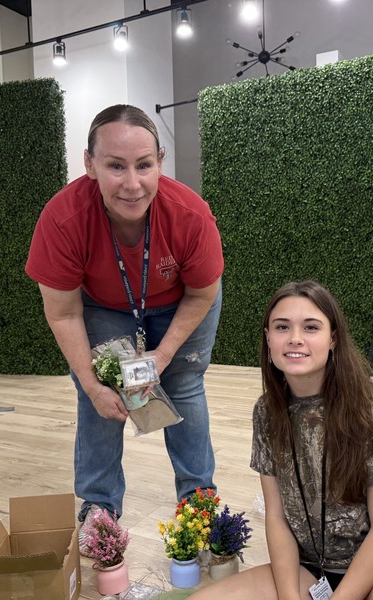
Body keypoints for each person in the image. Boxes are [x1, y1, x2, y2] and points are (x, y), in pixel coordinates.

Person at [25, 104, 224, 550]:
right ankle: (99, 505)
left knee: (184, 386)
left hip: (182, 302)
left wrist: (162, 356)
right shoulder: (63, 219)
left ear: (160, 162)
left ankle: (198, 498)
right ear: (89, 164)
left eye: (144, 165)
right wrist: (91, 384)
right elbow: (63, 313)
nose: (132, 184)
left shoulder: (190, 215)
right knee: (99, 394)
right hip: (103, 305)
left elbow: (202, 294)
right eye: (116, 166)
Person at [191, 280, 373, 600]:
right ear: (268, 338)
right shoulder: (266, 412)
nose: (295, 338)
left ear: (333, 338)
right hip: (310, 565)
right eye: (282, 327)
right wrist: (289, 596)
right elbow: (277, 517)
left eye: (311, 327)